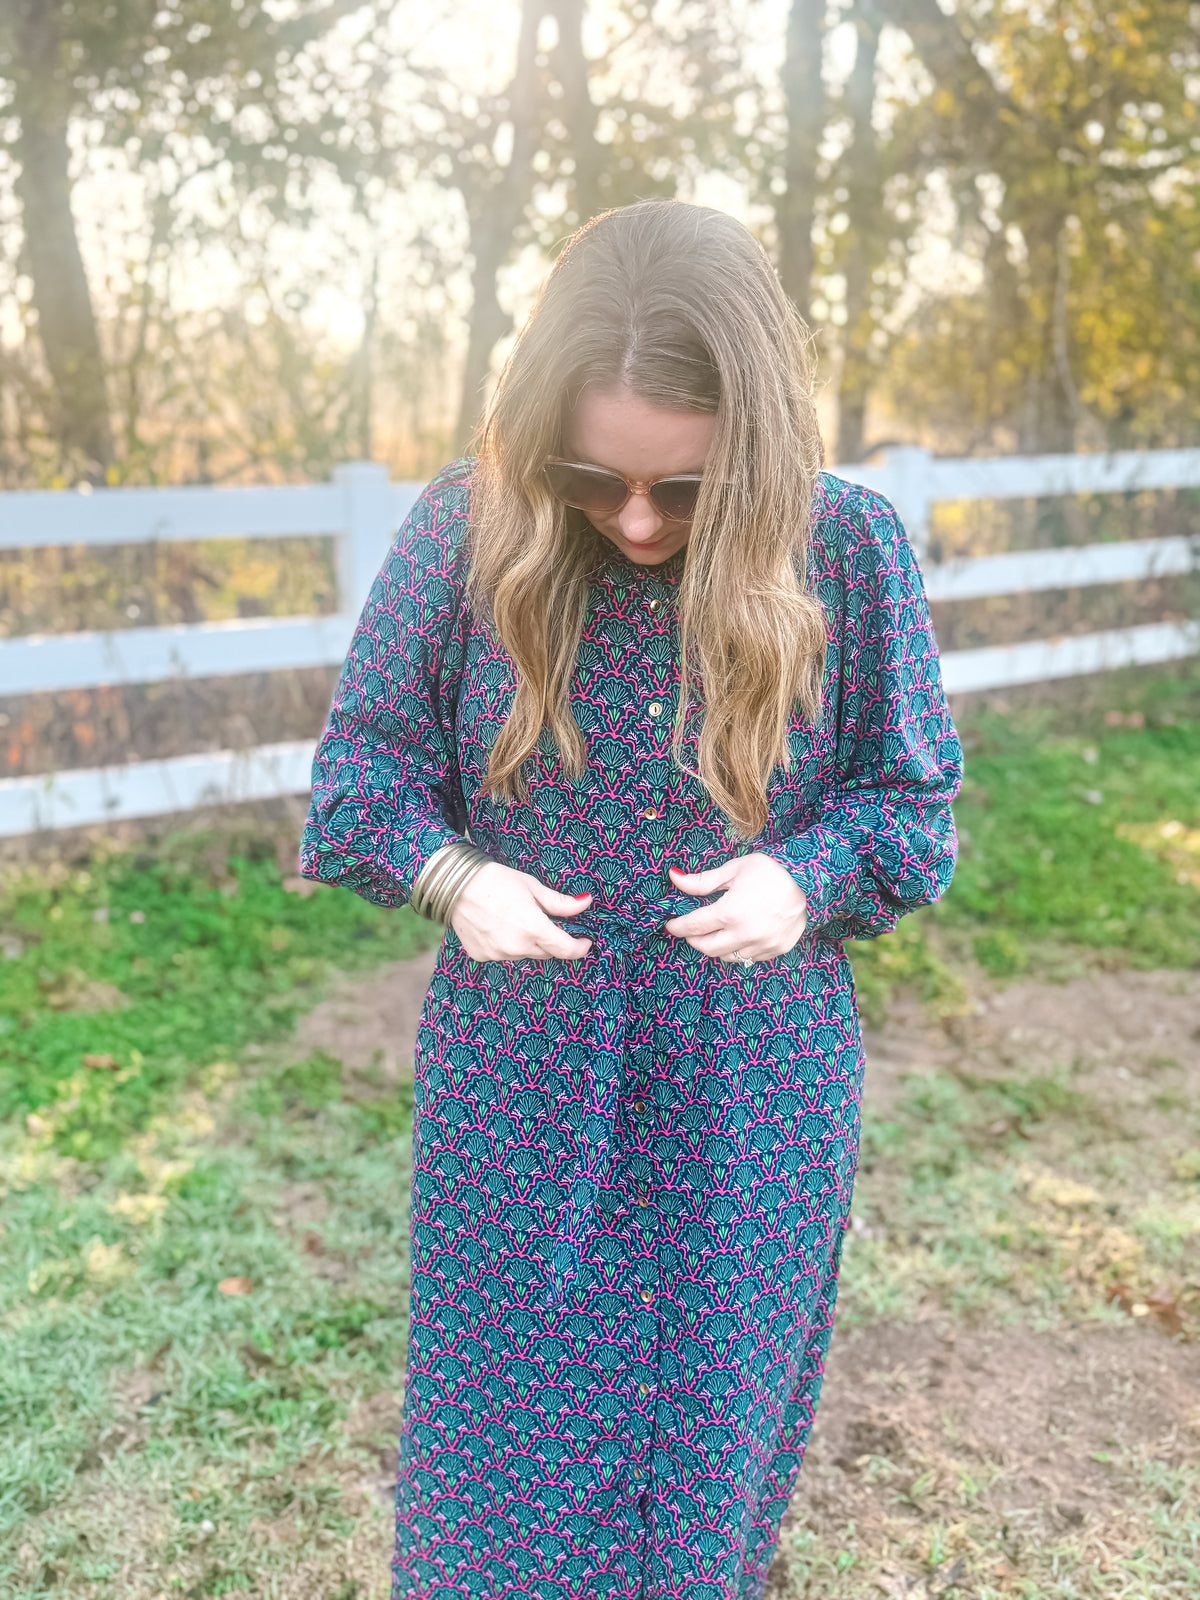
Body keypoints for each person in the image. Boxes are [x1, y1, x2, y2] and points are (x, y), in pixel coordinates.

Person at [300, 197, 963, 1600]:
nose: (642, 521)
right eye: (597, 483)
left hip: (754, 1093)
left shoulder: (847, 548)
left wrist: (807, 877)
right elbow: (356, 781)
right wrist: (452, 876)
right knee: (504, 1468)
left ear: (762, 445)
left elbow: (912, 812)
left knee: (707, 1459)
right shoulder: (466, 532)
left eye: (688, 488)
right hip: (522, 1077)